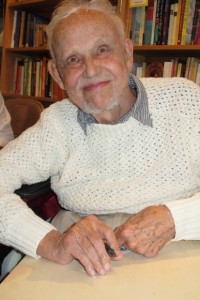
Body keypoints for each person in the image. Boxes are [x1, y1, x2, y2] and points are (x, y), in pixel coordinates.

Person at [0, 0, 200, 278]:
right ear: (57, 75)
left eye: (102, 50)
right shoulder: (56, 124)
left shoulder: (186, 101)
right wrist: (50, 241)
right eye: (73, 59)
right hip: (84, 263)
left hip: (181, 251)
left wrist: (177, 219)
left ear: (128, 54)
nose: (91, 70)